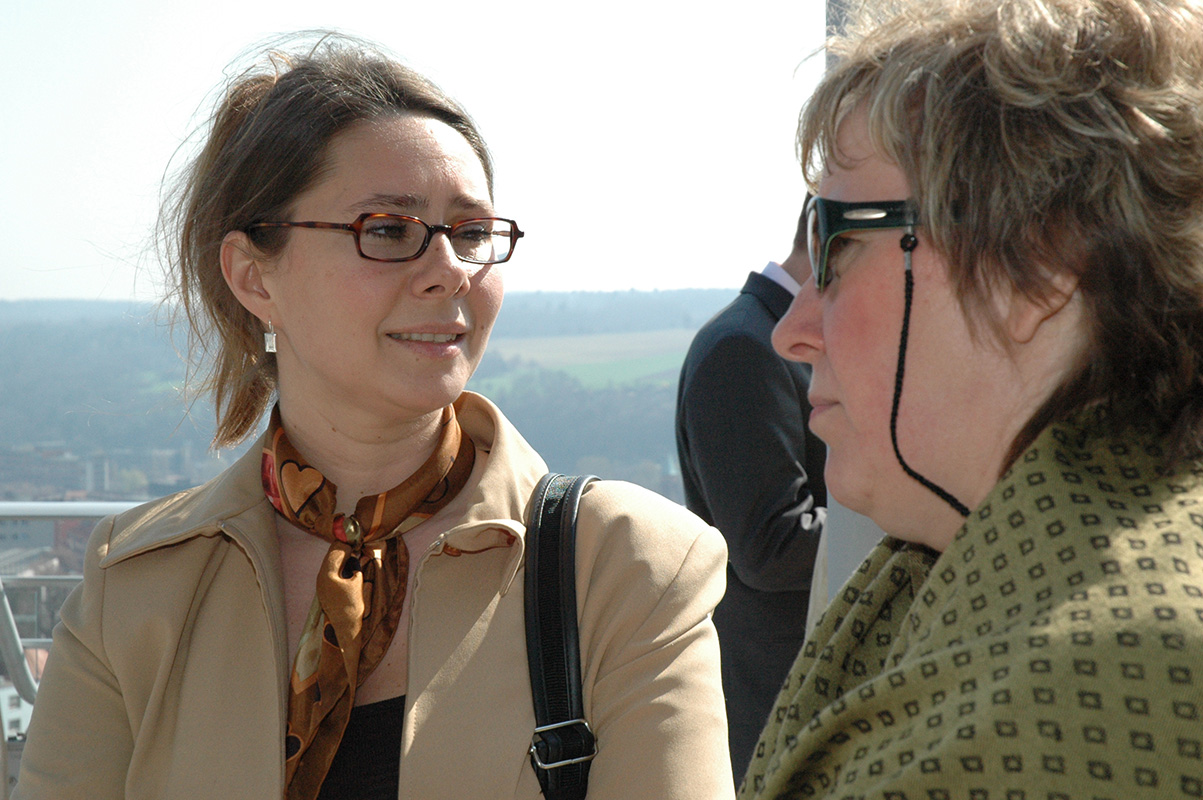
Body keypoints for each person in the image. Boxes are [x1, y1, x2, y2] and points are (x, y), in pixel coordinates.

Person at [14, 34, 734, 800]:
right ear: (254, 278)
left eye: (471, 233)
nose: (449, 271)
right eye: (388, 229)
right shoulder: (134, 589)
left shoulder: (625, 568)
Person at [740, 0, 1203, 797]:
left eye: (839, 242)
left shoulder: (1074, 693)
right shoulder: (952, 592)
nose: (791, 331)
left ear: (1036, 269)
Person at [675, 226, 826, 779]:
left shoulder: (768, 339)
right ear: (824, 234)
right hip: (776, 700)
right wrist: (903, 517)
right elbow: (770, 546)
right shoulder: (743, 348)